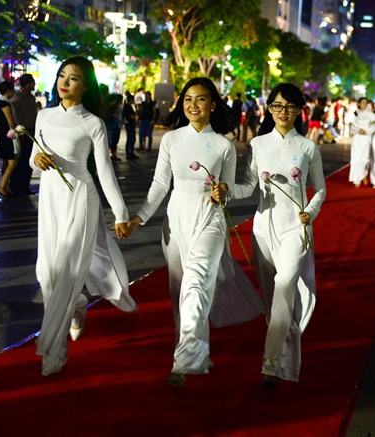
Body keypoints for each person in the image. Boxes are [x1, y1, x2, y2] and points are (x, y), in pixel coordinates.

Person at [128, 77, 262, 387]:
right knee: (180, 291)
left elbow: (230, 187)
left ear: (213, 104)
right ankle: (192, 351)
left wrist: (224, 191)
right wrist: (140, 216)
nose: (192, 104)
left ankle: (184, 362)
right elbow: (161, 185)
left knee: (196, 284)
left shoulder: (224, 145)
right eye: (188, 98)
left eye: (200, 99)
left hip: (210, 221)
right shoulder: (173, 140)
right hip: (175, 221)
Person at [29, 56, 137, 376]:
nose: (65, 82)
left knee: (65, 266)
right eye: (62, 75)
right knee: (46, 273)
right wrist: (37, 159)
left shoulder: (92, 123)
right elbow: (35, 157)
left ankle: (55, 352)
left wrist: (120, 213)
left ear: (85, 86)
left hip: (81, 198)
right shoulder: (44, 115)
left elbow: (104, 171)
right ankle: (77, 305)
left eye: (73, 78)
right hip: (50, 198)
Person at [229, 83, 326, 388]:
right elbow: (248, 187)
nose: (283, 112)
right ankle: (289, 362)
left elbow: (320, 189)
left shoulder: (309, 147)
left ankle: (270, 364)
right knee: (273, 300)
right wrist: (225, 191)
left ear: (299, 110)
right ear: (269, 108)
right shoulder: (258, 144)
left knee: (285, 283)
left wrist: (309, 211)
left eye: (290, 106)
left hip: (296, 227)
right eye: (277, 106)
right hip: (263, 227)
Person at [10, 73, 38, 196]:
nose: (34, 85)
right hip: (21, 133)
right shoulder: (17, 98)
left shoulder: (32, 98)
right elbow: (13, 116)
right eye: (32, 83)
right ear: (27, 84)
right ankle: (15, 186)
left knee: (28, 161)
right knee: (19, 161)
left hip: (31, 132)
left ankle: (25, 186)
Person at [0, 81, 19, 198]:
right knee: (12, 162)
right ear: (8, 91)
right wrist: (20, 130)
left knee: (6, 161)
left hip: (3, 135)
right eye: (12, 90)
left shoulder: (2, 101)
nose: (13, 92)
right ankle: (2, 187)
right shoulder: (5, 103)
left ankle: (5, 185)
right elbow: (11, 123)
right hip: (7, 136)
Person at [349, 97, 375, 187]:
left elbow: (374, 126)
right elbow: (352, 126)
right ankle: (357, 179)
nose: (364, 104)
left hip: (366, 138)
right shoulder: (355, 114)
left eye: (365, 102)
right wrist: (358, 130)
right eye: (362, 102)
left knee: (365, 158)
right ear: (359, 104)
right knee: (356, 157)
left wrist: (367, 131)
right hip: (357, 138)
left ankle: (363, 174)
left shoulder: (371, 115)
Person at [122, 91, 138, 160]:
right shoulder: (128, 107)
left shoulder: (127, 106)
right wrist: (135, 116)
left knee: (131, 139)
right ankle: (129, 153)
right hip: (130, 124)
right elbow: (131, 116)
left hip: (129, 124)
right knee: (131, 139)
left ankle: (130, 152)